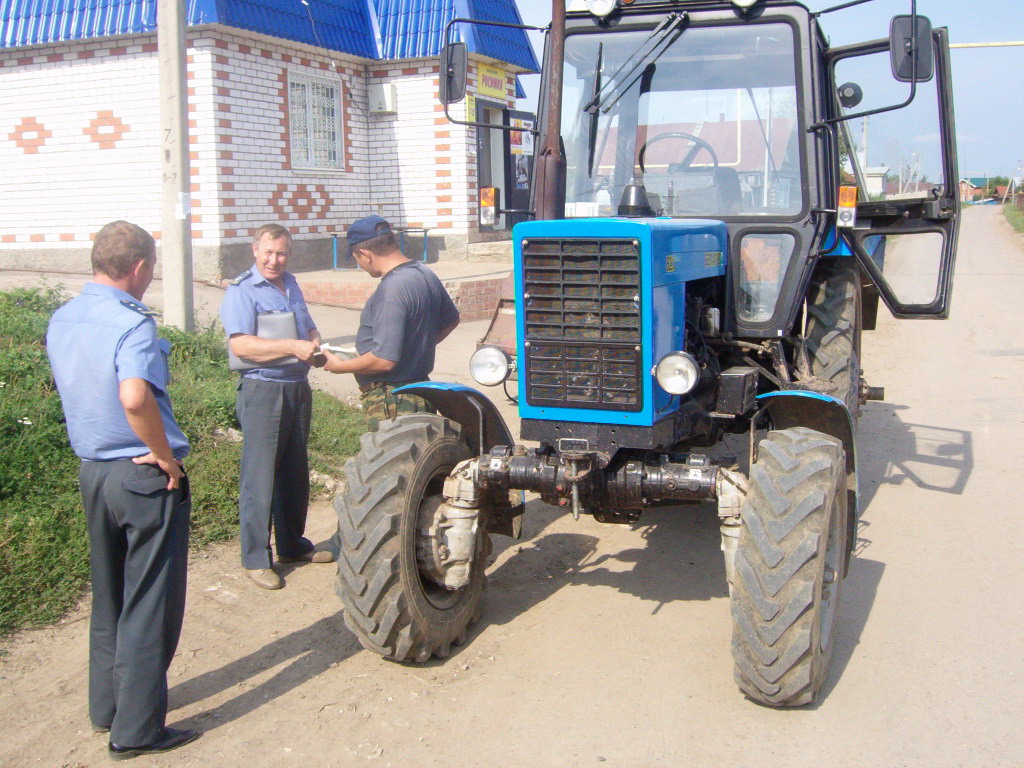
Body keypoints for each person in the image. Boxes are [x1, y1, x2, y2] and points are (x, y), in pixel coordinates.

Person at [46, 221, 198, 759]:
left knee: (109, 596)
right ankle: (136, 731)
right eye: (151, 267)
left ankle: (105, 706)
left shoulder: (63, 317)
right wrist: (163, 454)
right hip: (140, 475)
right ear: (138, 268)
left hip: (92, 470)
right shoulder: (131, 323)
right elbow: (135, 397)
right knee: (149, 602)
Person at [220, 224, 335, 591]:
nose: (274, 260)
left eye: (281, 253)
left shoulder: (292, 284)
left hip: (297, 388)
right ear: (255, 251)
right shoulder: (242, 290)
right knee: (260, 475)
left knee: (294, 471)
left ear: (289, 254)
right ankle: (256, 558)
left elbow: (309, 328)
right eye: (268, 253)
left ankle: (292, 546)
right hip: (263, 389)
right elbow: (241, 346)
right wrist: (291, 347)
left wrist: (315, 344)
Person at [322, 216, 460, 429]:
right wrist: (416, 347)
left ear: (366, 255)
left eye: (356, 259)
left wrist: (340, 366)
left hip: (393, 401)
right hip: (419, 390)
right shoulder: (424, 273)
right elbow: (451, 319)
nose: (360, 266)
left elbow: (383, 361)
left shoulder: (392, 290)